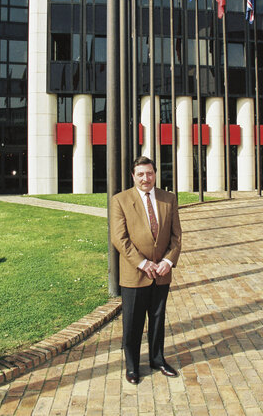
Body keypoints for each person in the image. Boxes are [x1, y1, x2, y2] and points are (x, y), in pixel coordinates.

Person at [110, 156, 182, 384]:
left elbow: (176, 236)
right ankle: (132, 366)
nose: (145, 178)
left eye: (149, 173)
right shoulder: (120, 200)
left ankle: (157, 359)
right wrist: (143, 263)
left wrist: (167, 262)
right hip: (135, 273)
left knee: (158, 319)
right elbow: (119, 239)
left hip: (161, 274)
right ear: (133, 176)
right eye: (140, 174)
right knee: (132, 322)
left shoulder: (168, 199)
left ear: (155, 174)